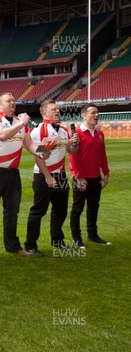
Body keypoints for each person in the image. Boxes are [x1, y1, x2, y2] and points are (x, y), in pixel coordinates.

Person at [0, 92, 49, 257]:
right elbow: (2, 135)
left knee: (12, 211)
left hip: (12, 173)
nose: (12, 103)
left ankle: (12, 246)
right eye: (8, 100)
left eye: (13, 100)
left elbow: (29, 144)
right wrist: (22, 124)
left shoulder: (19, 122)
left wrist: (42, 152)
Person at [24, 100, 79, 255]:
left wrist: (74, 144)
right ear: (44, 113)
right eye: (53, 109)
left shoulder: (63, 130)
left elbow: (71, 151)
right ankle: (30, 245)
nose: (57, 111)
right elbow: (38, 156)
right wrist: (48, 177)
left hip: (61, 175)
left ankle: (57, 241)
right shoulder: (39, 131)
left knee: (60, 210)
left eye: (58, 109)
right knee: (39, 210)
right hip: (43, 175)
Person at [69, 103, 111, 248]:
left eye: (97, 112)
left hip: (96, 177)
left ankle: (92, 235)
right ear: (84, 115)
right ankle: (76, 238)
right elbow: (73, 157)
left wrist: (105, 173)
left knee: (93, 207)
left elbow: (102, 155)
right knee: (78, 208)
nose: (96, 115)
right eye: (92, 112)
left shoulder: (100, 133)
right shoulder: (77, 133)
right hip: (81, 178)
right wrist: (79, 176)